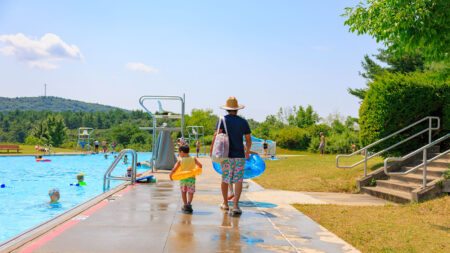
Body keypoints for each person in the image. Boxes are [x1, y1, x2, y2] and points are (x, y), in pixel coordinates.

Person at [210, 97, 251, 215]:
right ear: (237, 109)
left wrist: (212, 149)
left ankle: (225, 203)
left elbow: (216, 135)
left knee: (225, 178)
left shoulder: (222, 120)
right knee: (238, 179)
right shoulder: (243, 122)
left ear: (227, 109)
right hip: (239, 155)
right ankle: (236, 206)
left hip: (225, 155)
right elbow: (248, 139)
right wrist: (247, 151)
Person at [170, 144, 203, 213]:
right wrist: (195, 170)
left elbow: (174, 170)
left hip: (183, 179)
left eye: (179, 152)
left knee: (183, 192)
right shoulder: (193, 158)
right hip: (191, 179)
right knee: (190, 192)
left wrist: (171, 175)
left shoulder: (180, 160)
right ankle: (189, 204)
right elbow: (200, 166)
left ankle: (185, 205)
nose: (179, 154)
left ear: (182, 152)